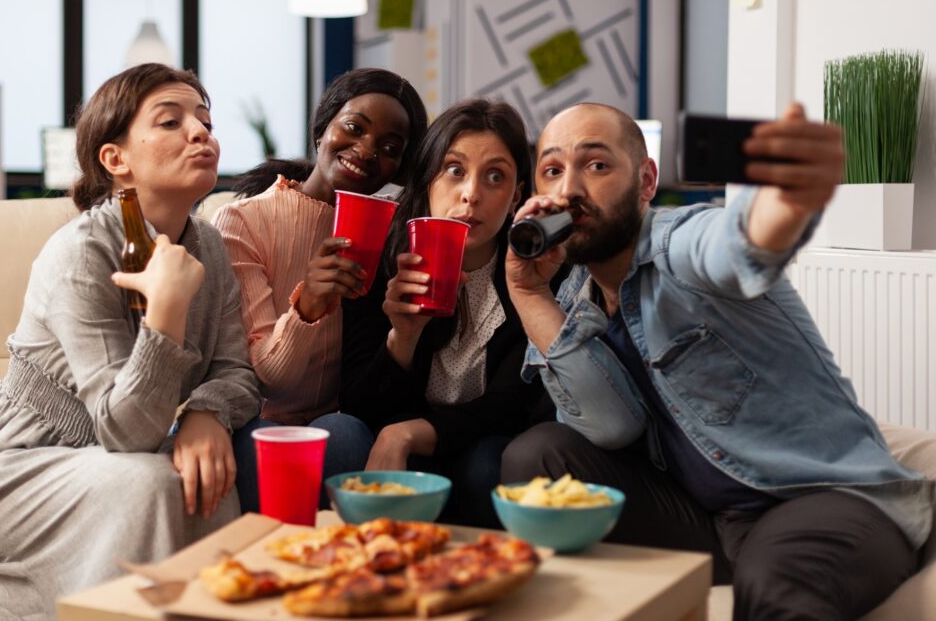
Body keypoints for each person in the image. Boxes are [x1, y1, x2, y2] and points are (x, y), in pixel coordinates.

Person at [500, 101, 932, 620]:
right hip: (707, 518)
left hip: (813, 499)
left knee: (776, 579)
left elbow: (732, 246)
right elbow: (611, 426)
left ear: (645, 180)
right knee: (537, 455)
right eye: (552, 170)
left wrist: (780, 212)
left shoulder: (679, 243)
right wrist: (528, 293)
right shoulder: (573, 297)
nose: (569, 189)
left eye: (596, 165)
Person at [0, 63, 262, 620]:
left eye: (205, 120)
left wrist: (207, 413)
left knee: (207, 469)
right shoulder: (79, 254)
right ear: (116, 161)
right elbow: (127, 430)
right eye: (171, 121)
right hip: (19, 469)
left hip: (117, 460)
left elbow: (237, 371)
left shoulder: (209, 246)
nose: (200, 132)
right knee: (157, 482)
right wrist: (166, 309)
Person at [213, 68, 428, 512]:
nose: (367, 151)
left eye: (390, 148)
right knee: (309, 437)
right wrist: (308, 305)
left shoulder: (393, 233)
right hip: (261, 421)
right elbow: (269, 381)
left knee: (346, 430)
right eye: (354, 128)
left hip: (345, 421)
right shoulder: (242, 221)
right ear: (321, 130)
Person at [341, 98, 556, 527]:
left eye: (494, 177)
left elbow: (513, 406)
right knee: (341, 434)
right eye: (455, 170)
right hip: (394, 447)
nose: (471, 193)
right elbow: (358, 405)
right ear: (428, 182)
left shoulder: (536, 272)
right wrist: (403, 337)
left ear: (516, 198)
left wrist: (407, 432)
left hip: (478, 447)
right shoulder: (383, 259)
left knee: (488, 462)